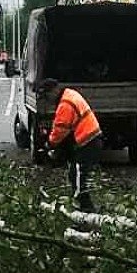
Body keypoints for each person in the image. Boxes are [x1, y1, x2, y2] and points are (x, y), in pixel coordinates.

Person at [36, 77, 102, 213]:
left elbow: (60, 130)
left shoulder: (65, 104)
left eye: (47, 96)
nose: (48, 100)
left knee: (79, 175)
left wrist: (49, 145)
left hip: (87, 139)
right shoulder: (69, 94)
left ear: (54, 91)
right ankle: (82, 205)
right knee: (75, 173)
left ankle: (85, 208)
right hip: (89, 137)